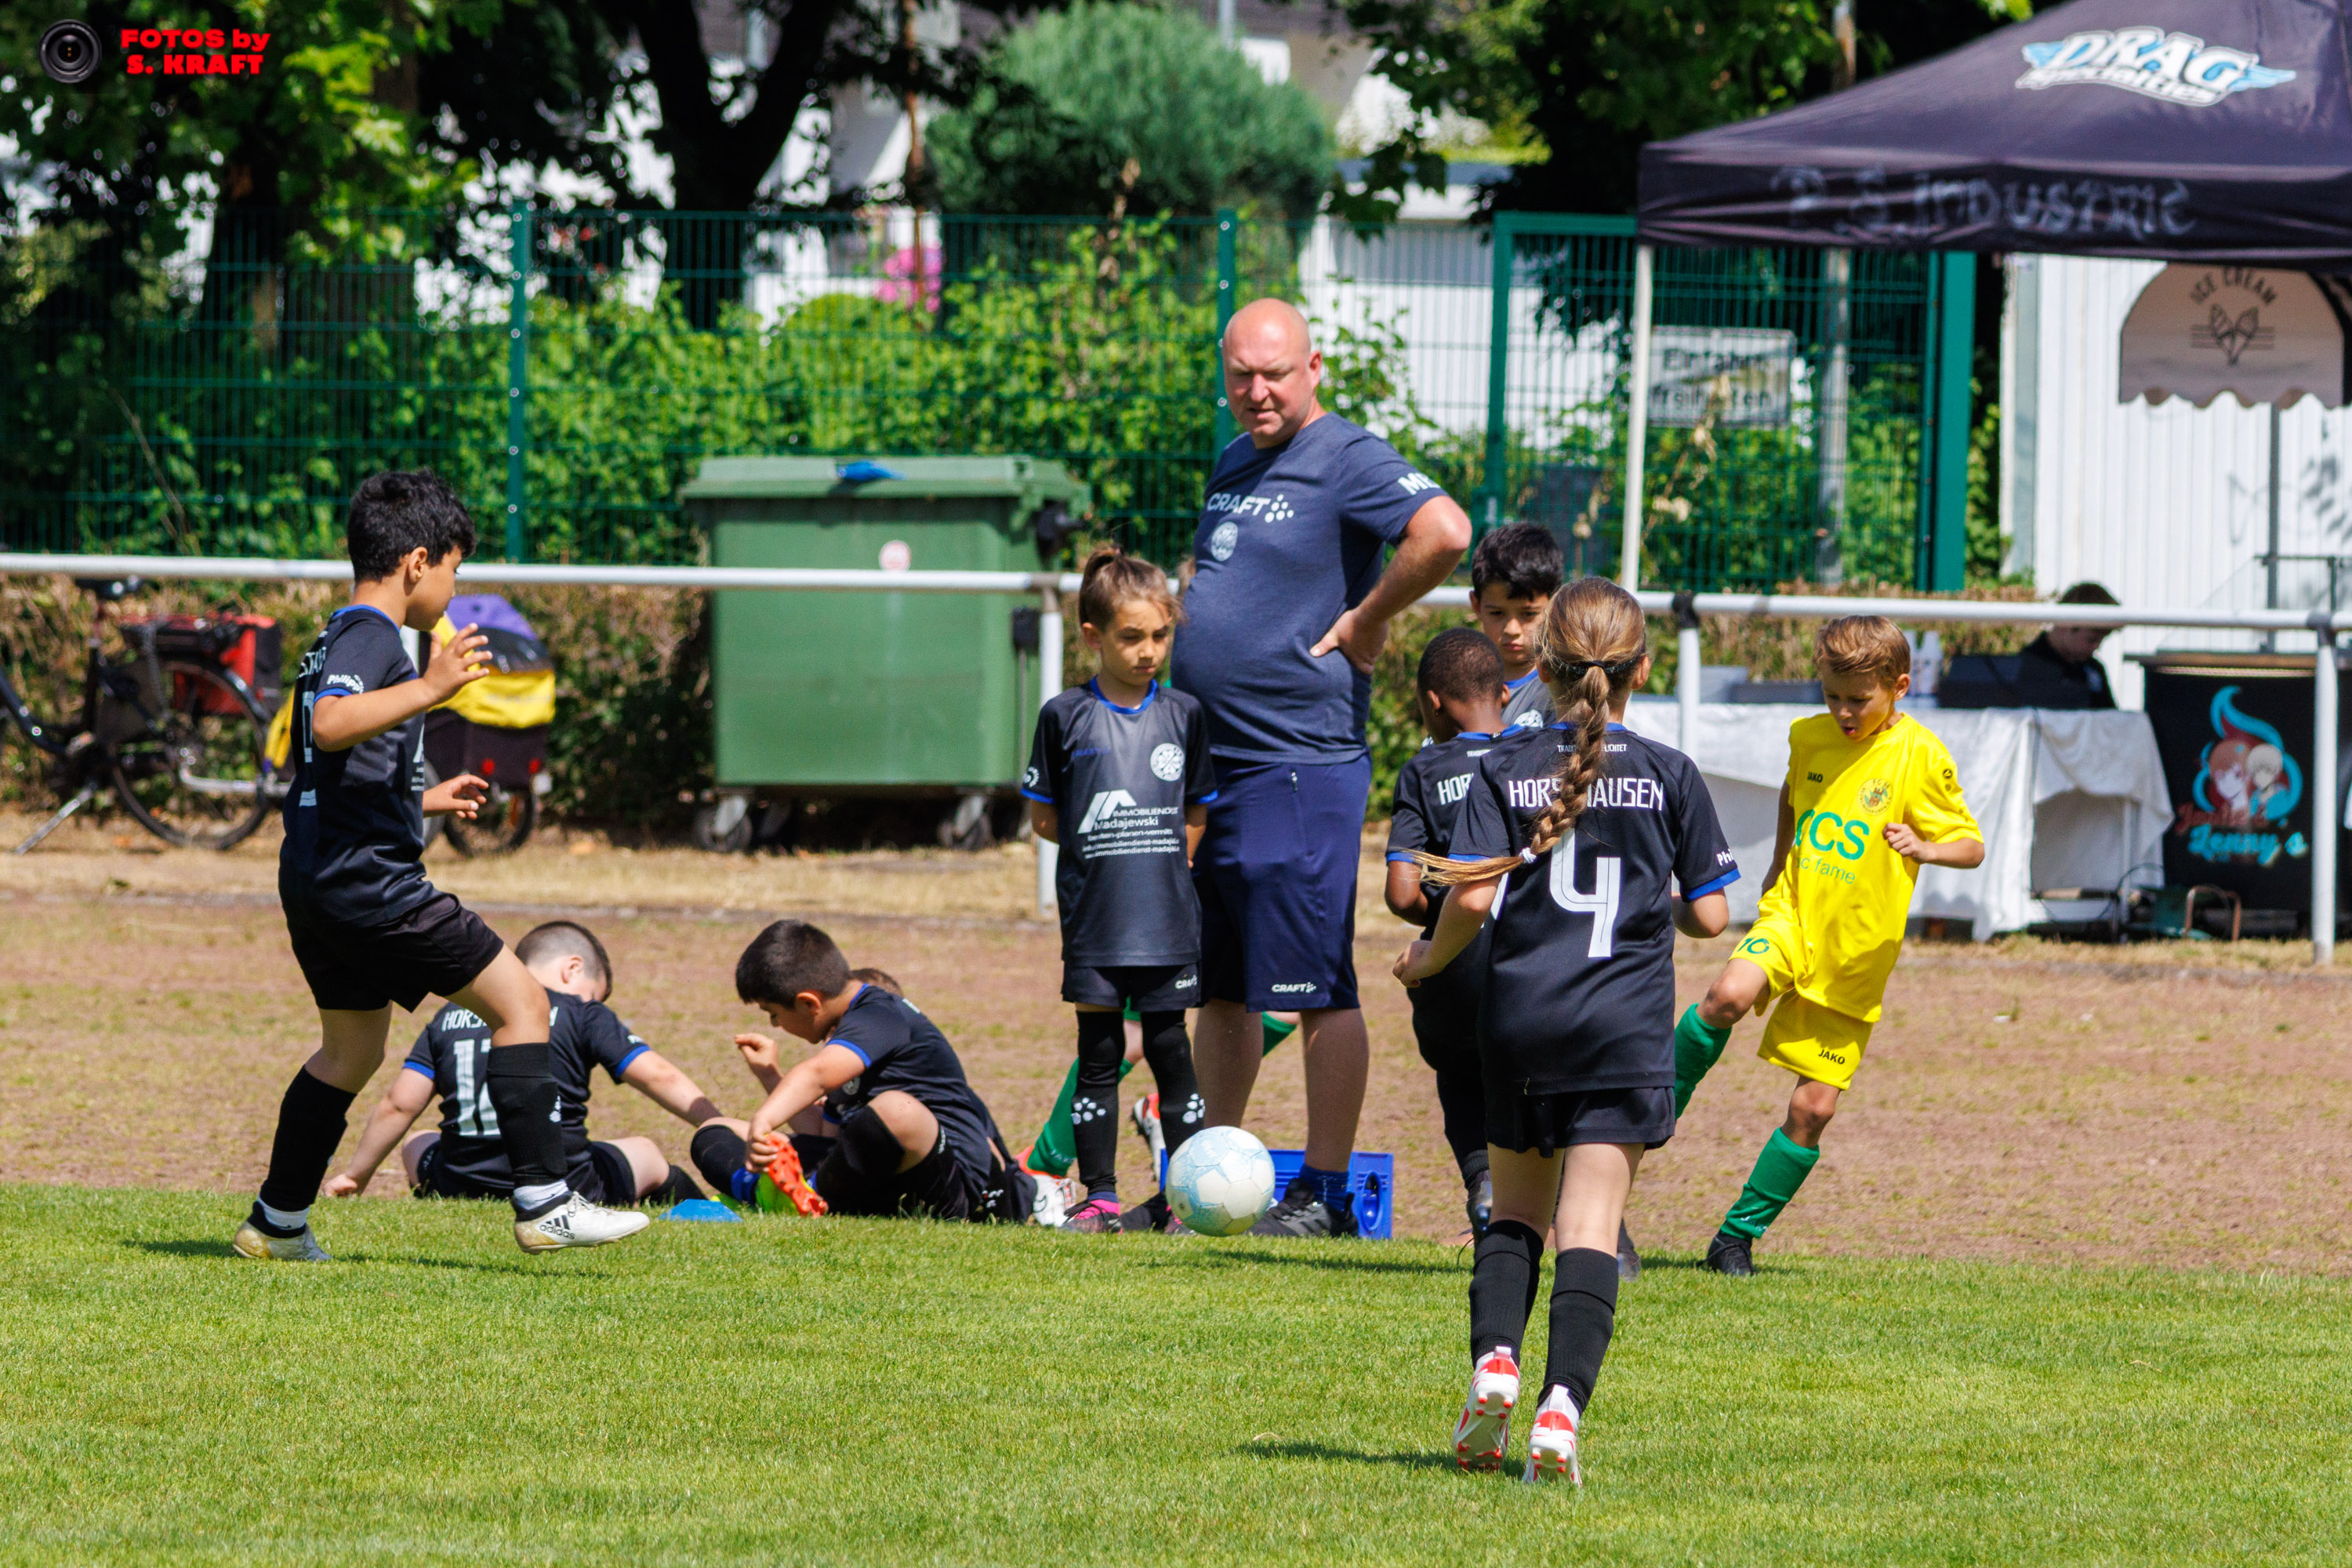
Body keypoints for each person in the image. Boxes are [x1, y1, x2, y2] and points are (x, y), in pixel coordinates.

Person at [234, 470, 646, 1261]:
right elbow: (330, 725)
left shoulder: (331, 637)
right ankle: (547, 1200)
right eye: (455, 570)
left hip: (319, 878)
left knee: (351, 1053)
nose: (454, 589)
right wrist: (429, 686)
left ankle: (277, 1220)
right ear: (418, 562)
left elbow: (328, 776)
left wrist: (420, 798)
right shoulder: (373, 635)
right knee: (525, 1003)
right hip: (372, 883)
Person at [1394, 578, 1737, 1483]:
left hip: (1523, 1022)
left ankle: (1494, 1364)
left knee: (1514, 1214)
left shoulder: (1503, 768)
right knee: (1591, 1224)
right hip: (1623, 1029)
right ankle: (1560, 1408)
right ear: (1642, 668)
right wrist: (1657, 896)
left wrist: (1427, 958)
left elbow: (1471, 898)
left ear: (1540, 666)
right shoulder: (1671, 772)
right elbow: (1711, 914)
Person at [1178, 296, 1472, 1238]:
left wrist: (1367, 616)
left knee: (1316, 986)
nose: (1258, 391)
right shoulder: (1235, 458)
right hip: (1218, 764)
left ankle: (1326, 1193)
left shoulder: (1346, 456)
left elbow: (1445, 530)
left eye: (1275, 373)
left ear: (1313, 369)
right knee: (1223, 986)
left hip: (1297, 761)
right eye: (1241, 375)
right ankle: (1209, 1177)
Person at [1672, 615, 1985, 1276]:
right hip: (1792, 915)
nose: (1843, 712)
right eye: (1832, 695)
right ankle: (1647, 1112)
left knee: (1812, 1109)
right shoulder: (1809, 737)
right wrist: (1777, 863)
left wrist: (1927, 848)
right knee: (1726, 996)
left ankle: (1734, 1238)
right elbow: (1794, 794)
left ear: (1899, 687)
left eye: (1858, 700)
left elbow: (1972, 845)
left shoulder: (1921, 756)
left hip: (1856, 958)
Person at [1022, 548, 1218, 1232]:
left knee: (1171, 1049)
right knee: (1099, 1055)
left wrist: (1168, 861)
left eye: (1160, 635)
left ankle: (1187, 1199)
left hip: (1167, 918)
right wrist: (1104, 850)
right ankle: (1101, 1197)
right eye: (1132, 637)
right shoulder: (1064, 716)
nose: (1148, 651)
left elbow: (1197, 808)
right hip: (1096, 920)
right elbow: (1045, 816)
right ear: (1093, 637)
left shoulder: (1186, 714)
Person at [322, 921, 724, 1207]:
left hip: (460, 1181)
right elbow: (658, 1076)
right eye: (594, 994)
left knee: (418, 1141)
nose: (592, 1003)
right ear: (572, 968)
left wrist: (356, 1175)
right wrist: (716, 1124)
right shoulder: (580, 1013)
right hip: (564, 1184)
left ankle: (455, 1191)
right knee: (647, 1151)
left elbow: (400, 1104)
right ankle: (706, 1214)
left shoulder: (450, 1015)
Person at [717, 920, 1035, 1222]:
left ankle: (812, 1196)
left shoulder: (881, 1014)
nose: (775, 1025)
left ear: (809, 1003)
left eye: (774, 1014)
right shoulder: (845, 1042)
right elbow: (825, 1138)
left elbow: (816, 1076)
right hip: (869, 1180)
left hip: (948, 1185)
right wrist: (770, 1076)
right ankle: (768, 1194)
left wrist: (764, 1120)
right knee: (717, 1132)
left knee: (897, 1111)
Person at [1381, 628, 1508, 1235]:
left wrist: (1440, 919)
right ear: (1504, 695)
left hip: (1457, 964)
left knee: (1459, 1071)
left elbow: (1401, 892)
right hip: (1538, 959)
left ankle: (1482, 1178)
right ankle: (1591, 1216)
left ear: (1432, 702)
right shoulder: (1539, 758)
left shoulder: (1424, 770)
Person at [1470, 522, 1563, 731]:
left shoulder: (1565, 689)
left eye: (1528, 614)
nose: (1512, 630)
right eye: (1497, 613)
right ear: (1476, 605)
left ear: (1554, 606)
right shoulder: (1460, 684)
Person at [2014, 581, 2120, 709]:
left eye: (2101, 640)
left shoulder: (2093, 670)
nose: (2096, 647)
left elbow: (2110, 717)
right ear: (2065, 624)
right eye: (2091, 640)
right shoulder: (2026, 667)